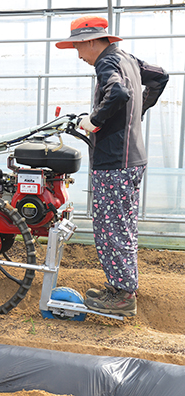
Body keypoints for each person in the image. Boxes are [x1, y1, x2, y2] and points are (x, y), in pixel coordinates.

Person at [56, 16, 169, 316]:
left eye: (79, 47)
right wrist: (138, 111)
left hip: (113, 161)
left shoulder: (105, 62)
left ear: (93, 41)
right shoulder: (127, 59)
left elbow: (118, 93)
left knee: (109, 227)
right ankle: (123, 286)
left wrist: (96, 120)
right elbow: (160, 77)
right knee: (124, 226)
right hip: (133, 158)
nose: (79, 55)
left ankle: (121, 296)